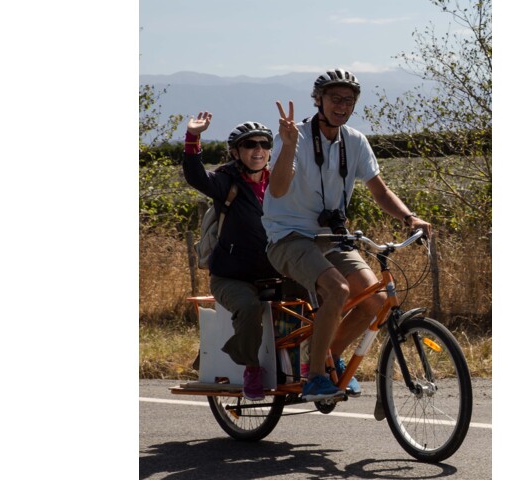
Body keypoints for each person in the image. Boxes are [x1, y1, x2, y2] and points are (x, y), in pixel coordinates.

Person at [262, 68, 432, 401]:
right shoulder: (293, 136)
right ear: (318, 100)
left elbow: (380, 192)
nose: (342, 105)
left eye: (349, 100)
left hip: (331, 237)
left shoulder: (354, 141)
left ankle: (330, 358)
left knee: (376, 302)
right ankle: (314, 376)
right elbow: (278, 190)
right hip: (288, 236)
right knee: (337, 289)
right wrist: (287, 147)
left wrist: (410, 217)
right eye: (335, 98)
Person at [182, 113, 287, 401]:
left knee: (314, 298)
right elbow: (195, 176)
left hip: (274, 270)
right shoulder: (226, 181)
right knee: (250, 308)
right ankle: (251, 367)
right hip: (230, 276)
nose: (258, 150)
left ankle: (311, 365)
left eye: (264, 144)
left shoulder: (278, 181)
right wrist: (193, 137)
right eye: (250, 144)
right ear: (235, 152)